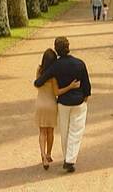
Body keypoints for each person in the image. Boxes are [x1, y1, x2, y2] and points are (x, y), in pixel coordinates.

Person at [35, 37, 91, 173]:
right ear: (68, 46)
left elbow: (39, 82)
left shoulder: (55, 66)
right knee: (76, 131)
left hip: (63, 103)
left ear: (57, 49)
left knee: (65, 132)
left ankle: (67, 157)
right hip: (78, 101)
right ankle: (70, 159)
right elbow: (86, 84)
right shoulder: (79, 63)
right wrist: (86, 96)